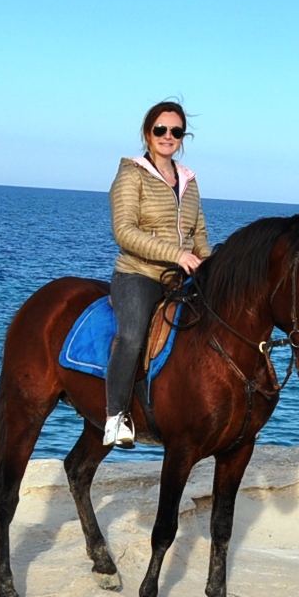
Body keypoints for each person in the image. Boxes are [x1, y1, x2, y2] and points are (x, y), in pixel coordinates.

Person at [102, 101, 212, 448]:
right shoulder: (131, 175)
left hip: (181, 278)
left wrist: (211, 267)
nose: (168, 136)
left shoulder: (189, 180)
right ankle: (115, 417)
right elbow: (124, 231)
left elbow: (198, 233)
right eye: (160, 129)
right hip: (139, 273)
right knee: (132, 336)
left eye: (175, 131)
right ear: (148, 133)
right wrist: (176, 254)